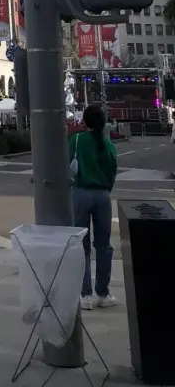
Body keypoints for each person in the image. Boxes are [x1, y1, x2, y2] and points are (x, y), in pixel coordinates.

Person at [70, 103, 118, 311]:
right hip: (102, 195)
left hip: (80, 193)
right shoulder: (108, 145)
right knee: (103, 245)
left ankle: (85, 295)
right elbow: (112, 172)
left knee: (81, 245)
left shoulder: (76, 140)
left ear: (84, 121)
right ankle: (103, 293)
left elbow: (67, 163)